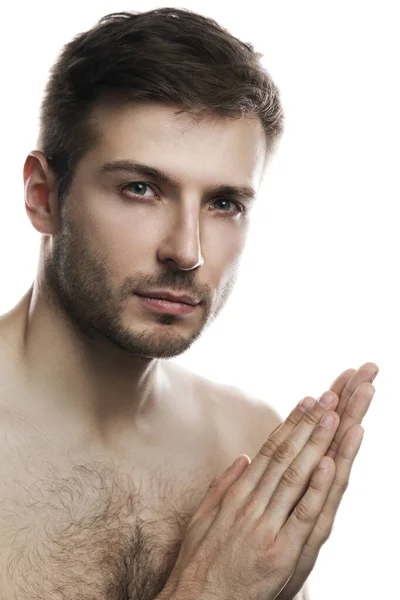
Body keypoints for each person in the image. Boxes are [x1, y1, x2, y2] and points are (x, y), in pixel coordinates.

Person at [0, 7, 378, 600]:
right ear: (44, 196)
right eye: (140, 189)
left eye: (223, 203)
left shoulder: (249, 446)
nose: (187, 251)